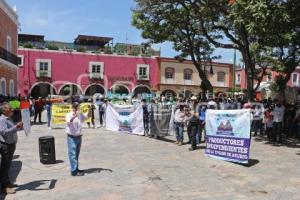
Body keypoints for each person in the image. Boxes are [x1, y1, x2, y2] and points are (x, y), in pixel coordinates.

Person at [0, 102, 23, 194]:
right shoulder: (2, 120)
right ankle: (4, 187)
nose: (12, 110)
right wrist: (16, 126)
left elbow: (12, 129)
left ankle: (8, 183)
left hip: (11, 143)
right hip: (6, 145)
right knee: (5, 166)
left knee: (8, 164)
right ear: (4, 110)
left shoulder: (8, 118)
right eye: (10, 108)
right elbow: (4, 132)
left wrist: (18, 127)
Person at [65, 102, 91, 176]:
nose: (77, 108)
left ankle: (76, 168)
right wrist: (74, 116)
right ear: (73, 108)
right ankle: (73, 171)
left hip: (79, 136)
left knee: (76, 154)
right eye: (76, 107)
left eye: (78, 107)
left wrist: (90, 109)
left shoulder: (80, 114)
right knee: (72, 154)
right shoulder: (68, 114)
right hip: (71, 137)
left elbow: (88, 116)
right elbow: (69, 121)